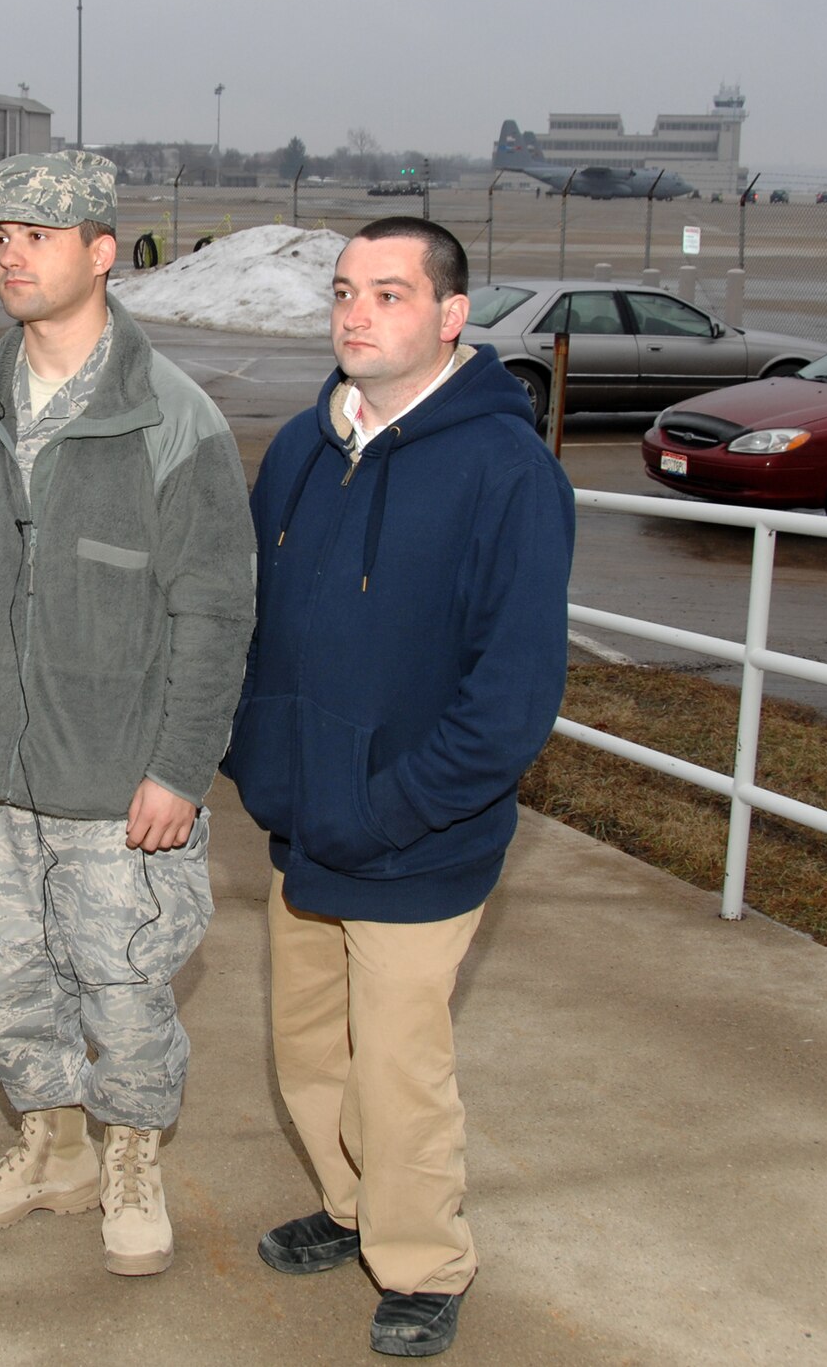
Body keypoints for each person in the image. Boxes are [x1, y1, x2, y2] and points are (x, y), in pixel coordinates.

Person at [0, 151, 256, 1276]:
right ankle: (49, 1147)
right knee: (3, 981)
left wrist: (180, 769)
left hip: (118, 780)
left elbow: (214, 614)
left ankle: (130, 1153)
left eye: (36, 236)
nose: (9, 254)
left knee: (125, 979)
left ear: (102, 252)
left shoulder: (172, 420)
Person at [224, 217, 575, 1357]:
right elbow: (254, 626)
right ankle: (350, 1203)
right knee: (307, 1046)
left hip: (418, 837)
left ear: (449, 315)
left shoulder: (506, 472)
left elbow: (509, 700)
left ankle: (422, 1261)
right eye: (342, 291)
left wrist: (383, 808)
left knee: (399, 1067)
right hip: (303, 822)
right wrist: (255, 760)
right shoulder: (298, 447)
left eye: (386, 292)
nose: (355, 313)